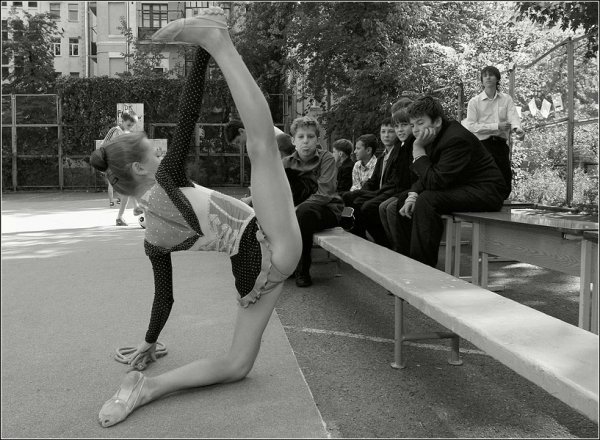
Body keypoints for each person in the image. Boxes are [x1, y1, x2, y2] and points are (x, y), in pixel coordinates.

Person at [93, 7, 302, 427]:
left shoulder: (151, 236)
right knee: (262, 145)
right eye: (152, 151)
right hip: (268, 243)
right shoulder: (167, 179)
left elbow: (165, 298)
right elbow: (189, 110)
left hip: (254, 269)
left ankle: (146, 387)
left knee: (236, 365)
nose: (160, 151)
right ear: (141, 168)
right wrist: (205, 50)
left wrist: (149, 341)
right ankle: (216, 38)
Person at [396, 96, 506, 267]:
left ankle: (421, 269)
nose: (415, 130)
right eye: (412, 125)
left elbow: (435, 181)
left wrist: (418, 150)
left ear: (437, 121)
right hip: (459, 186)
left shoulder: (455, 139)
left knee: (427, 200)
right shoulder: (433, 137)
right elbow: (429, 175)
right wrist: (412, 194)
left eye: (420, 123)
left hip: (485, 191)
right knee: (403, 199)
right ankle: (405, 262)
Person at [282, 116, 343, 287]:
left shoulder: (327, 158)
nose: (305, 141)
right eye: (301, 137)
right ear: (293, 141)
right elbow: (277, 191)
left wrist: (295, 209)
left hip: (327, 210)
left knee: (303, 214)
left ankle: (302, 270)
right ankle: (281, 264)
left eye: (310, 136)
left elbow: (325, 193)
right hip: (298, 211)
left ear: (317, 139)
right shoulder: (286, 163)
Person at [461, 65, 524, 199]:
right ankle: (485, 202)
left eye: (491, 75)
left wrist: (517, 129)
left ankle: (501, 204)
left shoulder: (506, 99)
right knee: (485, 177)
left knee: (505, 178)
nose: (488, 78)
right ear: (482, 80)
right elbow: (471, 126)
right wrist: (496, 126)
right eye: (485, 76)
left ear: (497, 79)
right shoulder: (474, 102)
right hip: (482, 145)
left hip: (500, 144)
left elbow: (513, 117)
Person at [341, 118, 402, 247]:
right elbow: (372, 181)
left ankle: (383, 243)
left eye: (390, 131)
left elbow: (393, 183)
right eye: (383, 131)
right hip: (379, 191)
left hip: (389, 192)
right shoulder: (382, 157)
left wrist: (369, 193)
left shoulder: (399, 154)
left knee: (366, 206)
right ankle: (356, 234)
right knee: (348, 196)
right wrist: (360, 192)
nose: (386, 135)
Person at [379, 98, 417, 252]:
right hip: (403, 189)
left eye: (404, 125)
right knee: (383, 206)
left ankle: (402, 250)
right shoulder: (402, 146)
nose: (400, 130)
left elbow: (415, 177)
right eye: (396, 126)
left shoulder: (415, 144)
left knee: (390, 207)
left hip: (414, 190)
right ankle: (394, 247)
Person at [102, 111, 144, 226]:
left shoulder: (127, 133)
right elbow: (103, 146)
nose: (131, 127)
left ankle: (130, 211)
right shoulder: (115, 131)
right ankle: (128, 212)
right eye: (129, 124)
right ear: (123, 121)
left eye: (132, 125)